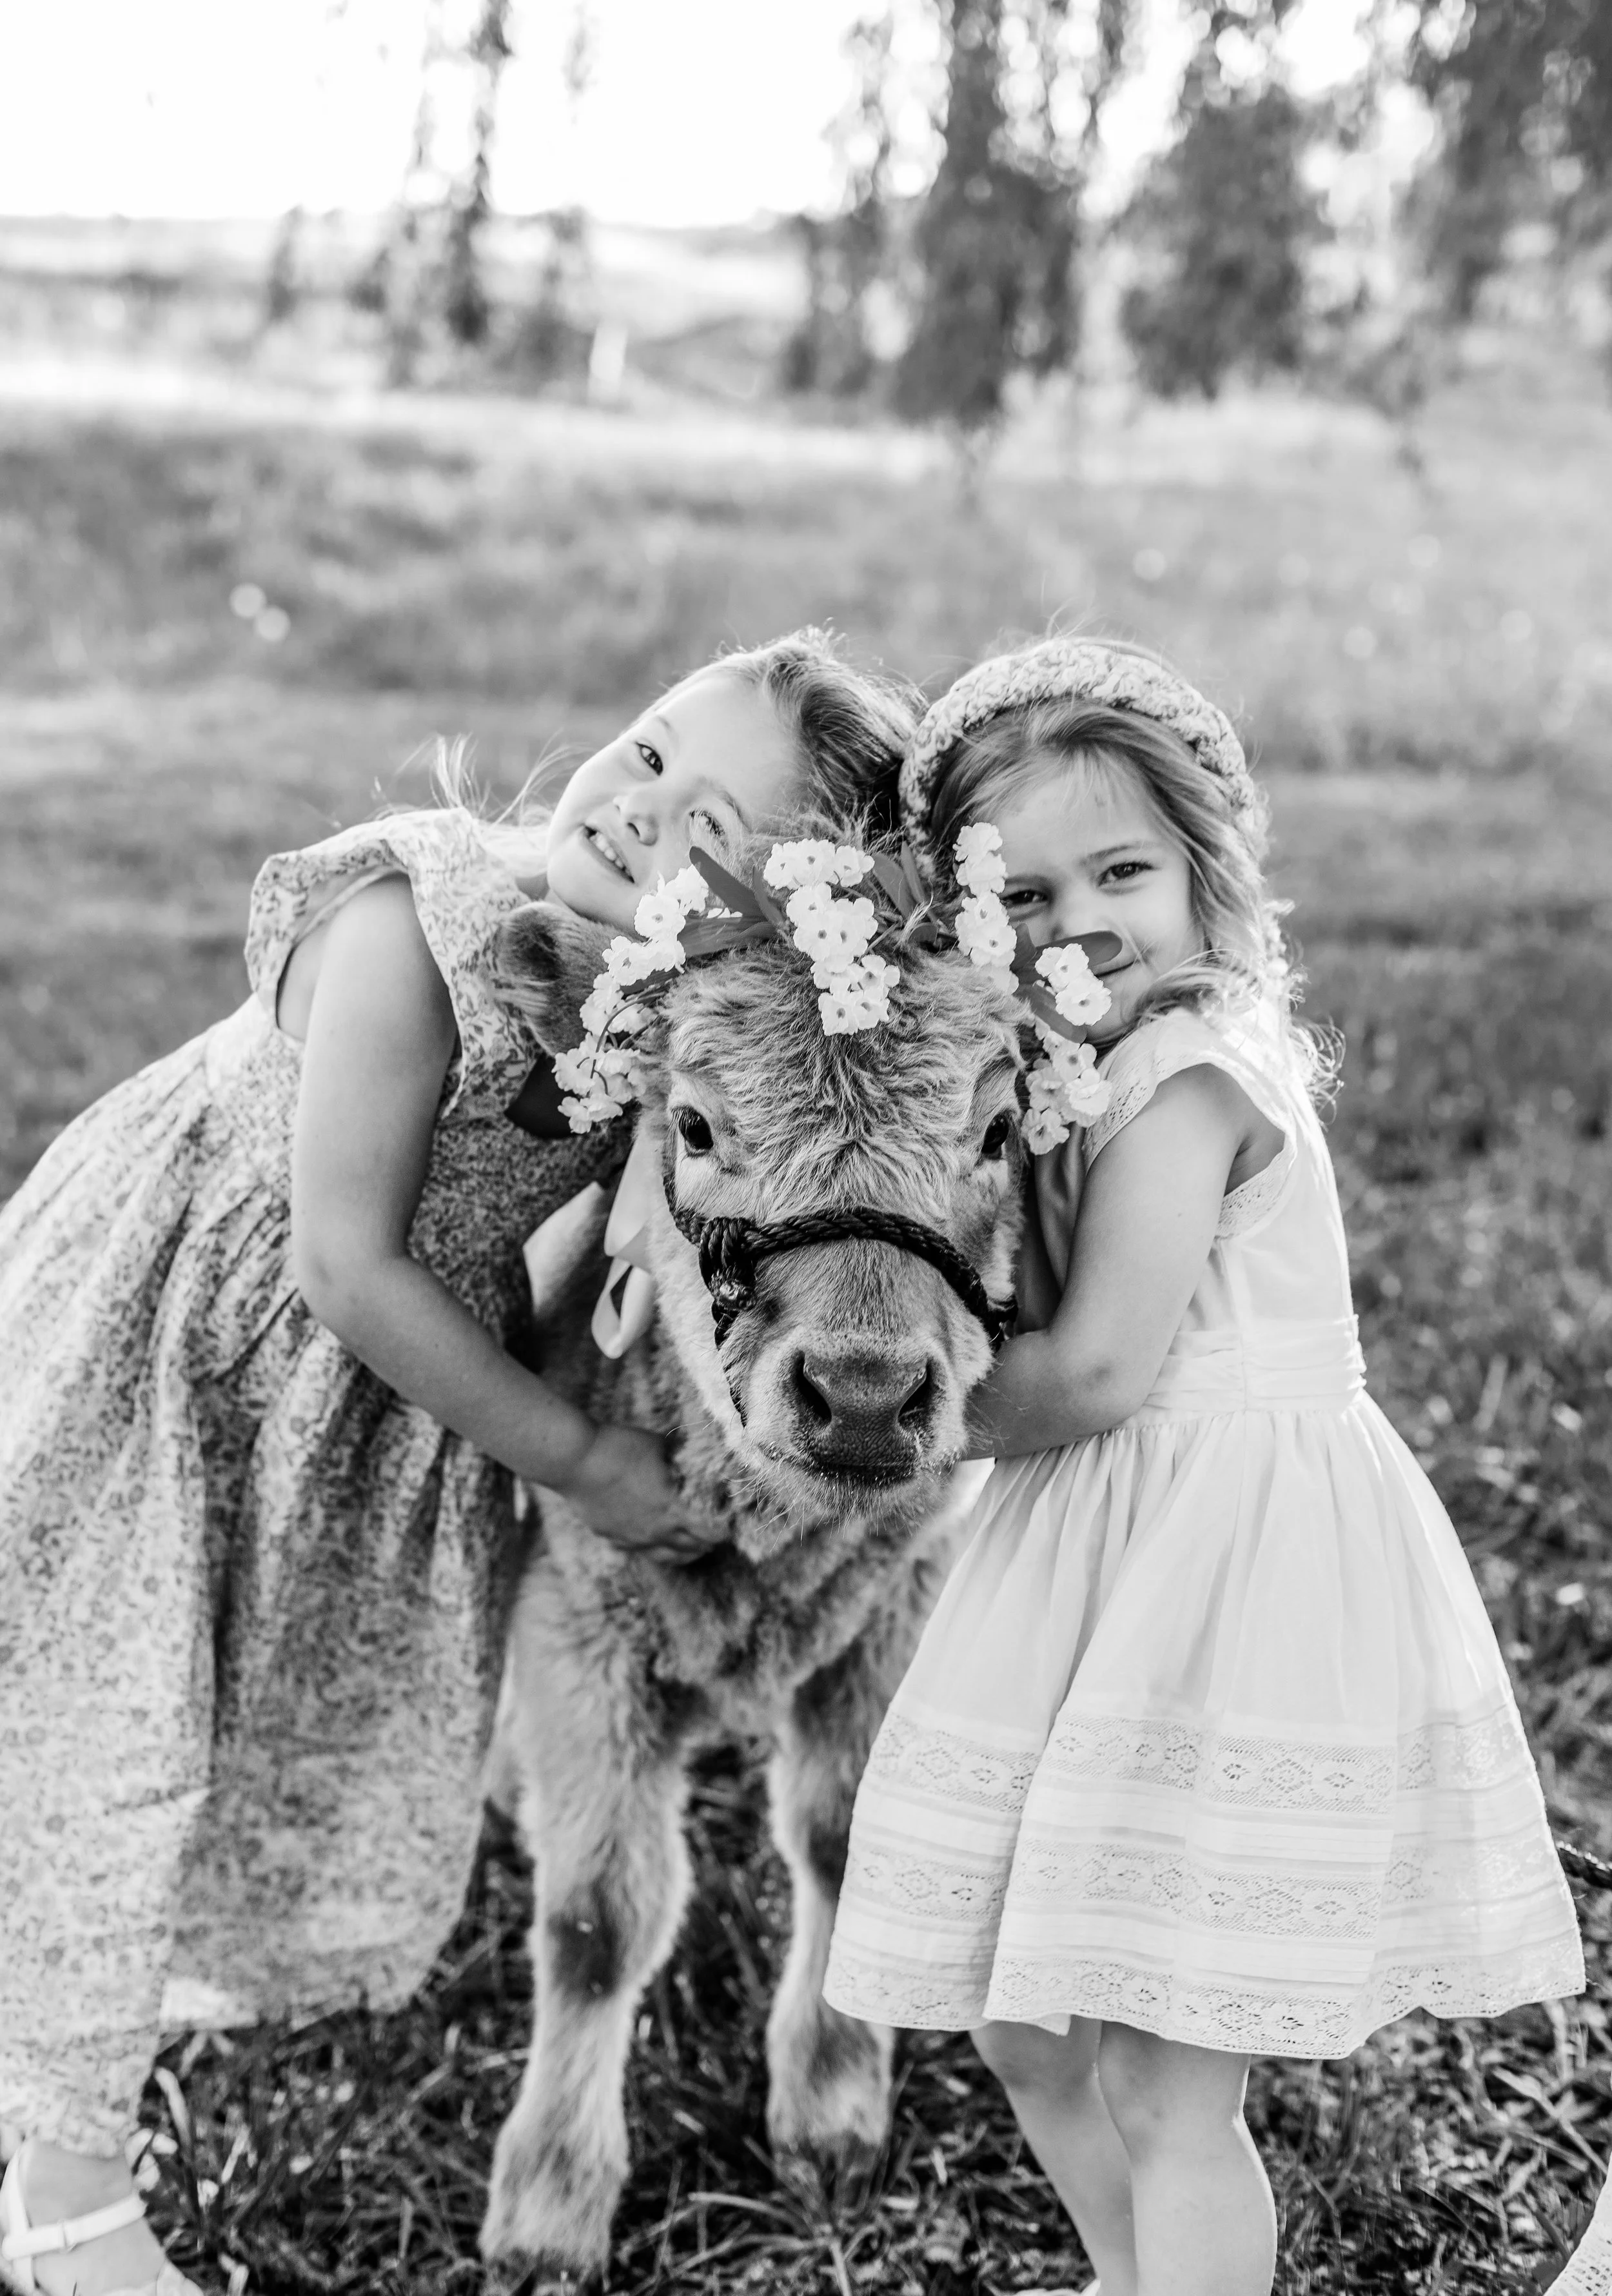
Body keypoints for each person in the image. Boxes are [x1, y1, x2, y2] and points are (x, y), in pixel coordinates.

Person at [0, 631, 916, 2296]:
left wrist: (648, 1316)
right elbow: (342, 1263)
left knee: (222, 1729)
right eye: (645, 753)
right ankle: (67, 2204)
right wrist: (573, 1448)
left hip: (338, 1417)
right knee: (110, 1721)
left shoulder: (657, 1021)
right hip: (181, 1354)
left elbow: (624, 1219)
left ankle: (61, 2037)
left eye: (711, 829)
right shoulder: (408, 923)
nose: (641, 812)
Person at [822, 637, 1584, 2296]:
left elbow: (1095, 1371)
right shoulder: (1071, 1073)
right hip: (1101, 1551)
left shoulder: (1180, 1075)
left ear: (1200, 873)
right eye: (1018, 895)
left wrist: (849, 1435)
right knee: (1027, 2030)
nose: (1076, 920)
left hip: (1218, 1557)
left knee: (1167, 2078)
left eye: (1121, 873)